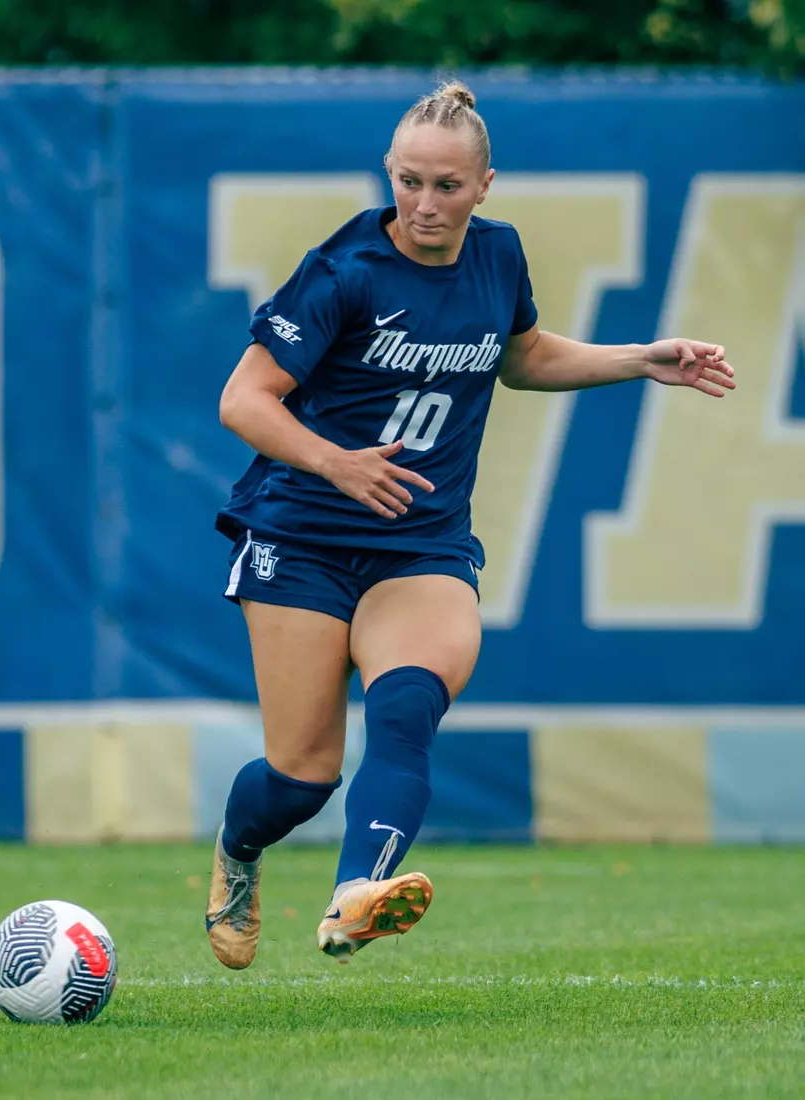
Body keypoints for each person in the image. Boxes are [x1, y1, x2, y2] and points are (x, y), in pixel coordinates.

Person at [206, 80, 735, 969]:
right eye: (408, 181)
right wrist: (338, 462)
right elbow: (243, 400)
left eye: (447, 186)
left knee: (407, 705)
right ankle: (238, 852)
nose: (424, 203)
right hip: (300, 536)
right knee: (300, 779)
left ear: (485, 185)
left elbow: (521, 355)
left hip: (420, 542)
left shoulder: (498, 257)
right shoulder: (344, 272)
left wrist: (641, 359)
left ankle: (354, 895)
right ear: (388, 173)